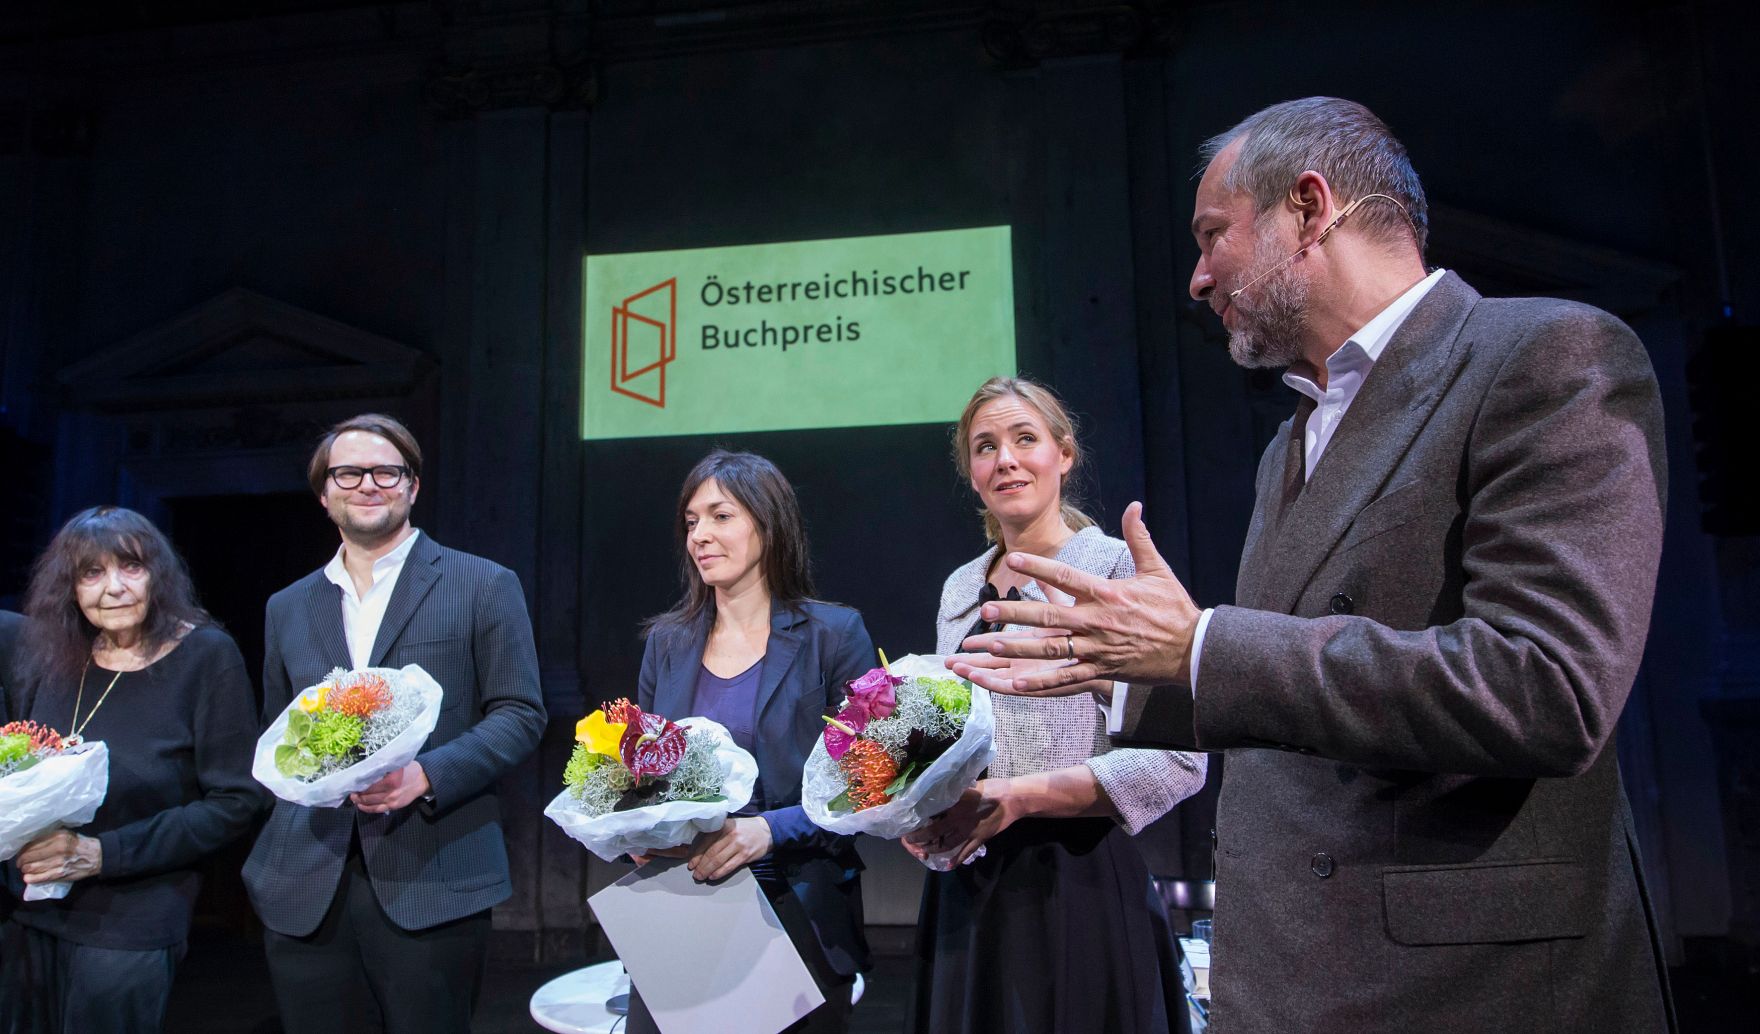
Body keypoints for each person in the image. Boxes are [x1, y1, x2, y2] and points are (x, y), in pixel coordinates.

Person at [952, 97, 1674, 1033]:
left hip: (1462, 986)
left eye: (1214, 236)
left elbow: (1546, 688)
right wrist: (1125, 671)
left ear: (1308, 206)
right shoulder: (1290, 441)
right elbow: (1281, 704)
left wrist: (1199, 649)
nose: (1198, 279)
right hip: (1292, 974)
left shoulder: (1546, 356)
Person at [906, 377, 1204, 1034]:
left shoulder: (1117, 570)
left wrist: (1019, 797)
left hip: (1077, 881)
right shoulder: (960, 588)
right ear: (972, 473)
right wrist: (918, 805)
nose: (1005, 460)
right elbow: (951, 741)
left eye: (1024, 439)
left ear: (1064, 454)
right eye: (985, 447)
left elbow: (1182, 758)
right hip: (968, 885)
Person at [242, 413, 547, 1034]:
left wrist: (425, 776)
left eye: (386, 471)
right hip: (306, 877)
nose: (367, 484)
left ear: (413, 485)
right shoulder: (287, 606)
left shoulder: (483, 583)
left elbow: (520, 713)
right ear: (324, 494)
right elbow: (279, 732)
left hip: (432, 870)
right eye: (348, 473)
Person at [625, 449, 872, 1034]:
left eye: (721, 516)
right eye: (691, 522)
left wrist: (768, 830)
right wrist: (634, 830)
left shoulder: (833, 636)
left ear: (769, 524)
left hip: (796, 906)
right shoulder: (667, 643)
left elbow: (867, 783)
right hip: (682, 909)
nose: (700, 536)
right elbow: (642, 775)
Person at [0, 507, 262, 1033]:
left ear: (157, 575)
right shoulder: (56, 655)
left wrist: (103, 853)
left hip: (131, 920)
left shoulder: (205, 656)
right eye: (92, 573)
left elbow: (237, 802)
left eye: (131, 567)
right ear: (70, 587)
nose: (114, 588)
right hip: (32, 912)